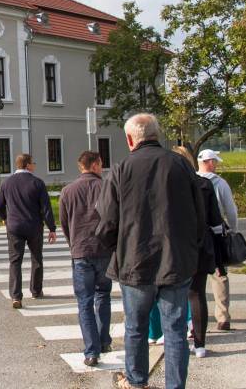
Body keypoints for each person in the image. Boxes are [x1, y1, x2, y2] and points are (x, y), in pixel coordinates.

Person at [96, 114, 204, 389]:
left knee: (135, 327)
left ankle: (136, 381)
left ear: (130, 139)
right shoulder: (181, 165)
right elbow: (199, 215)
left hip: (135, 262)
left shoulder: (121, 169)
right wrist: (192, 249)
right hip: (176, 261)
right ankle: (175, 386)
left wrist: (117, 249)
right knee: (175, 330)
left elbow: (107, 222)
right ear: (157, 134)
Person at [59, 151, 112, 367]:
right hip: (104, 249)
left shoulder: (67, 191)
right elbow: (114, 218)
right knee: (103, 295)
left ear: (80, 166)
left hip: (80, 250)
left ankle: (91, 351)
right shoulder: (106, 188)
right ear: (96, 165)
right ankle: (104, 340)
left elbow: (64, 223)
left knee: (84, 302)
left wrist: (73, 243)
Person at [173, 146, 223, 359]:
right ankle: (200, 344)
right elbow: (216, 221)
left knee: (174, 295)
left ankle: (176, 340)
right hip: (201, 243)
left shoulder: (168, 186)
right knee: (197, 293)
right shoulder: (205, 184)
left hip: (175, 246)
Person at [0, 153, 58, 309]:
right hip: (34, 226)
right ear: (27, 165)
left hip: (14, 227)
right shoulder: (37, 183)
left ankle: (16, 296)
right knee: (37, 258)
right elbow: (46, 208)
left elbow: (0, 205)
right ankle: (36, 290)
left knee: (15, 261)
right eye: (33, 163)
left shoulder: (7, 183)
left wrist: (4, 218)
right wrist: (51, 228)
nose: (34, 165)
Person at [197, 149, 238, 332]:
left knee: (195, 278)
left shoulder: (190, 180)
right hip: (215, 233)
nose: (216, 165)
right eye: (215, 161)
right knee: (219, 274)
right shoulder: (220, 183)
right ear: (210, 162)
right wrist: (233, 229)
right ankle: (222, 317)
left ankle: (194, 318)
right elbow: (230, 209)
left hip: (195, 234)